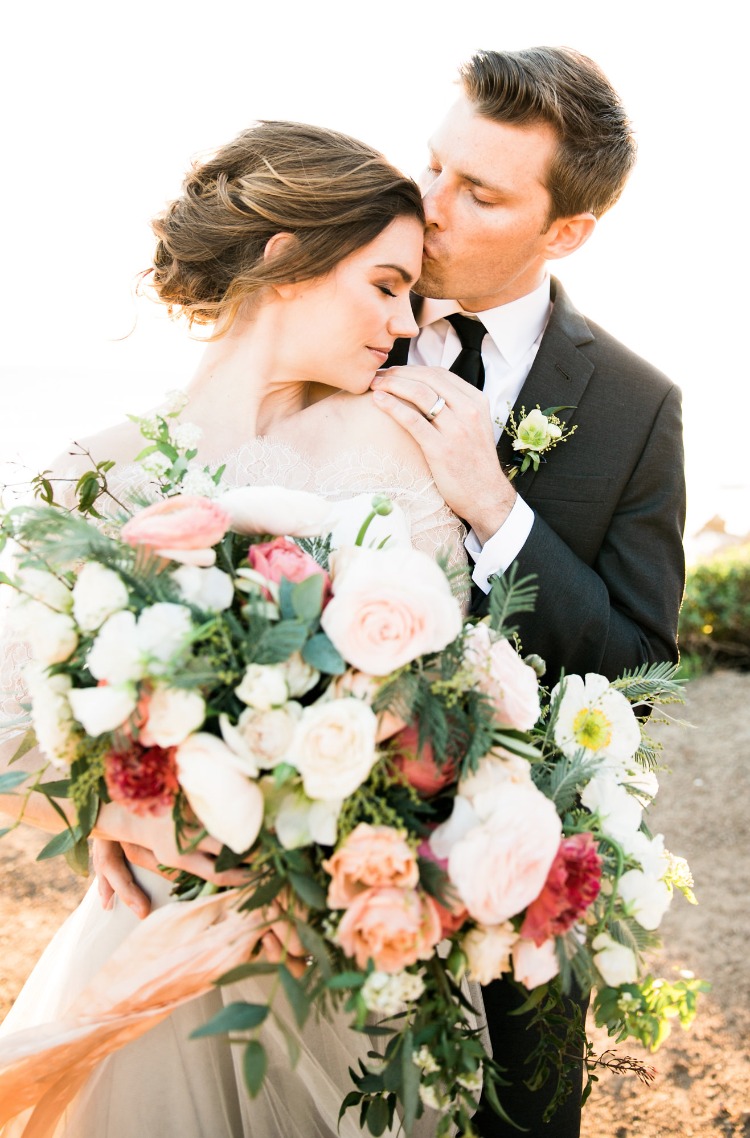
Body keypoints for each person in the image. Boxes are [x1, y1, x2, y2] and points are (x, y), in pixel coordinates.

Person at [0, 120, 470, 1137]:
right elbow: (9, 734)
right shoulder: (97, 472)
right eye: (385, 285)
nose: (402, 323)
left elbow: (450, 699)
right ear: (286, 261)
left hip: (347, 948)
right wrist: (114, 812)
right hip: (163, 940)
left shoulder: (399, 450)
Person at [369, 46, 686, 1138]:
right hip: (315, 848)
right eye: (435, 165)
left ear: (567, 231)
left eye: (480, 191)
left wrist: (501, 512)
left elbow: (641, 668)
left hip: (518, 874)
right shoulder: (343, 309)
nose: (427, 206)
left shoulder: (640, 405)